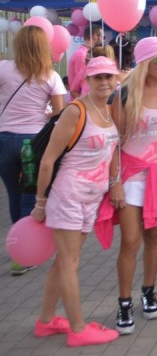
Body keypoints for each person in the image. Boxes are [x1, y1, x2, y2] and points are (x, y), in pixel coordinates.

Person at [32, 57, 120, 347]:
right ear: (86, 80)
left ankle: (46, 321)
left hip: (90, 199)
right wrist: (41, 202)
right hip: (67, 196)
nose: (104, 82)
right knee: (69, 263)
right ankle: (78, 328)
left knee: (65, 261)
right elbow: (48, 160)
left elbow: (112, 153)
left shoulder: (108, 110)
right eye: (98, 78)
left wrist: (113, 184)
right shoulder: (75, 110)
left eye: (109, 76)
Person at [111, 37, 157, 334]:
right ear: (145, 64)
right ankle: (124, 302)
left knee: (153, 239)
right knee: (130, 241)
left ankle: (149, 290)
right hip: (132, 177)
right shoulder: (124, 95)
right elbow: (113, 143)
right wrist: (114, 182)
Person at [0, 26, 66, 274]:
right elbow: (59, 114)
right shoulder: (50, 75)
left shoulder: (3, 68)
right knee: (30, 196)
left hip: (5, 140)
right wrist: (45, 112)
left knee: (14, 196)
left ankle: (19, 246)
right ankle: (24, 254)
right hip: (34, 142)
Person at [68, 25, 104, 98]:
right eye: (103, 37)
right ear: (95, 36)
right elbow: (81, 82)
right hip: (81, 102)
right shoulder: (82, 55)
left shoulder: (85, 53)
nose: (103, 40)